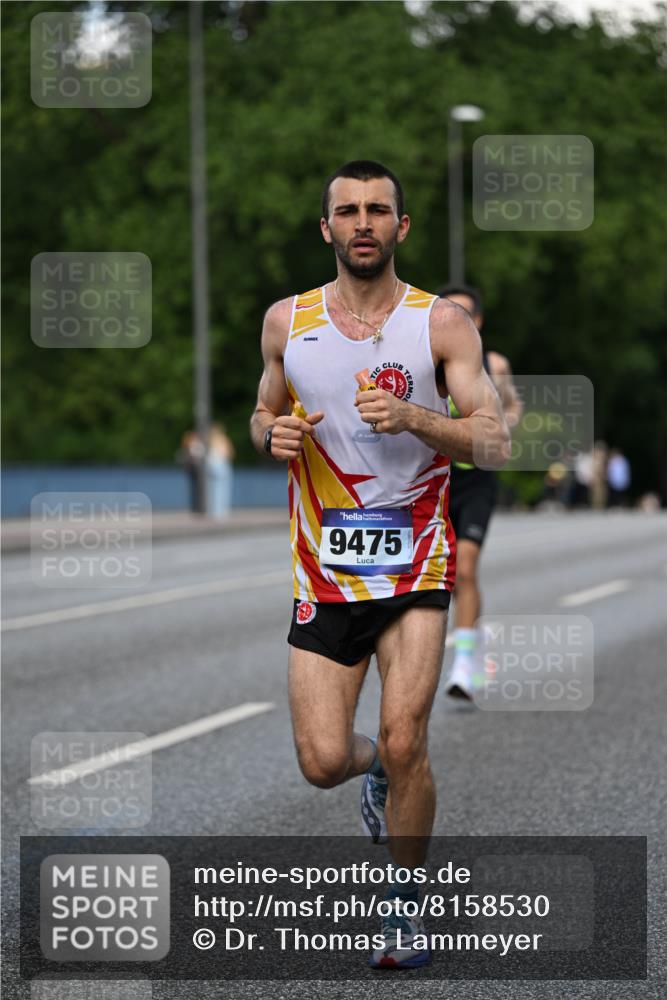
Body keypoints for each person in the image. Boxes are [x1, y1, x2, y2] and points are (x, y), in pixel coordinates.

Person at [250, 160, 509, 968]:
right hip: (325, 570)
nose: (363, 223)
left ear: (401, 227)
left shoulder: (440, 326)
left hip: (417, 566)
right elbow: (262, 412)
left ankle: (402, 909)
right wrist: (271, 436)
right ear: (325, 228)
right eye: (347, 211)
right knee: (324, 761)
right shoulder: (285, 322)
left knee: (405, 740)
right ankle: (371, 782)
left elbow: (495, 439)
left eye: (378, 210)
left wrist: (413, 417)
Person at [435, 283, 522, 701]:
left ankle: (465, 663)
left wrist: (502, 424)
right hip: (434, 479)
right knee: (434, 577)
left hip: (477, 480)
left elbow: (512, 407)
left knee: (464, 569)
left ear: (480, 321)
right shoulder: (426, 359)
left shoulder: (494, 363)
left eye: (465, 314)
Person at [206, 423, 235, 517]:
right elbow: (230, 453)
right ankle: (221, 512)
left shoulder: (209, 440)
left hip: (211, 465)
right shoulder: (223, 440)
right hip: (222, 464)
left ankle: (214, 511)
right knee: (223, 489)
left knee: (212, 489)